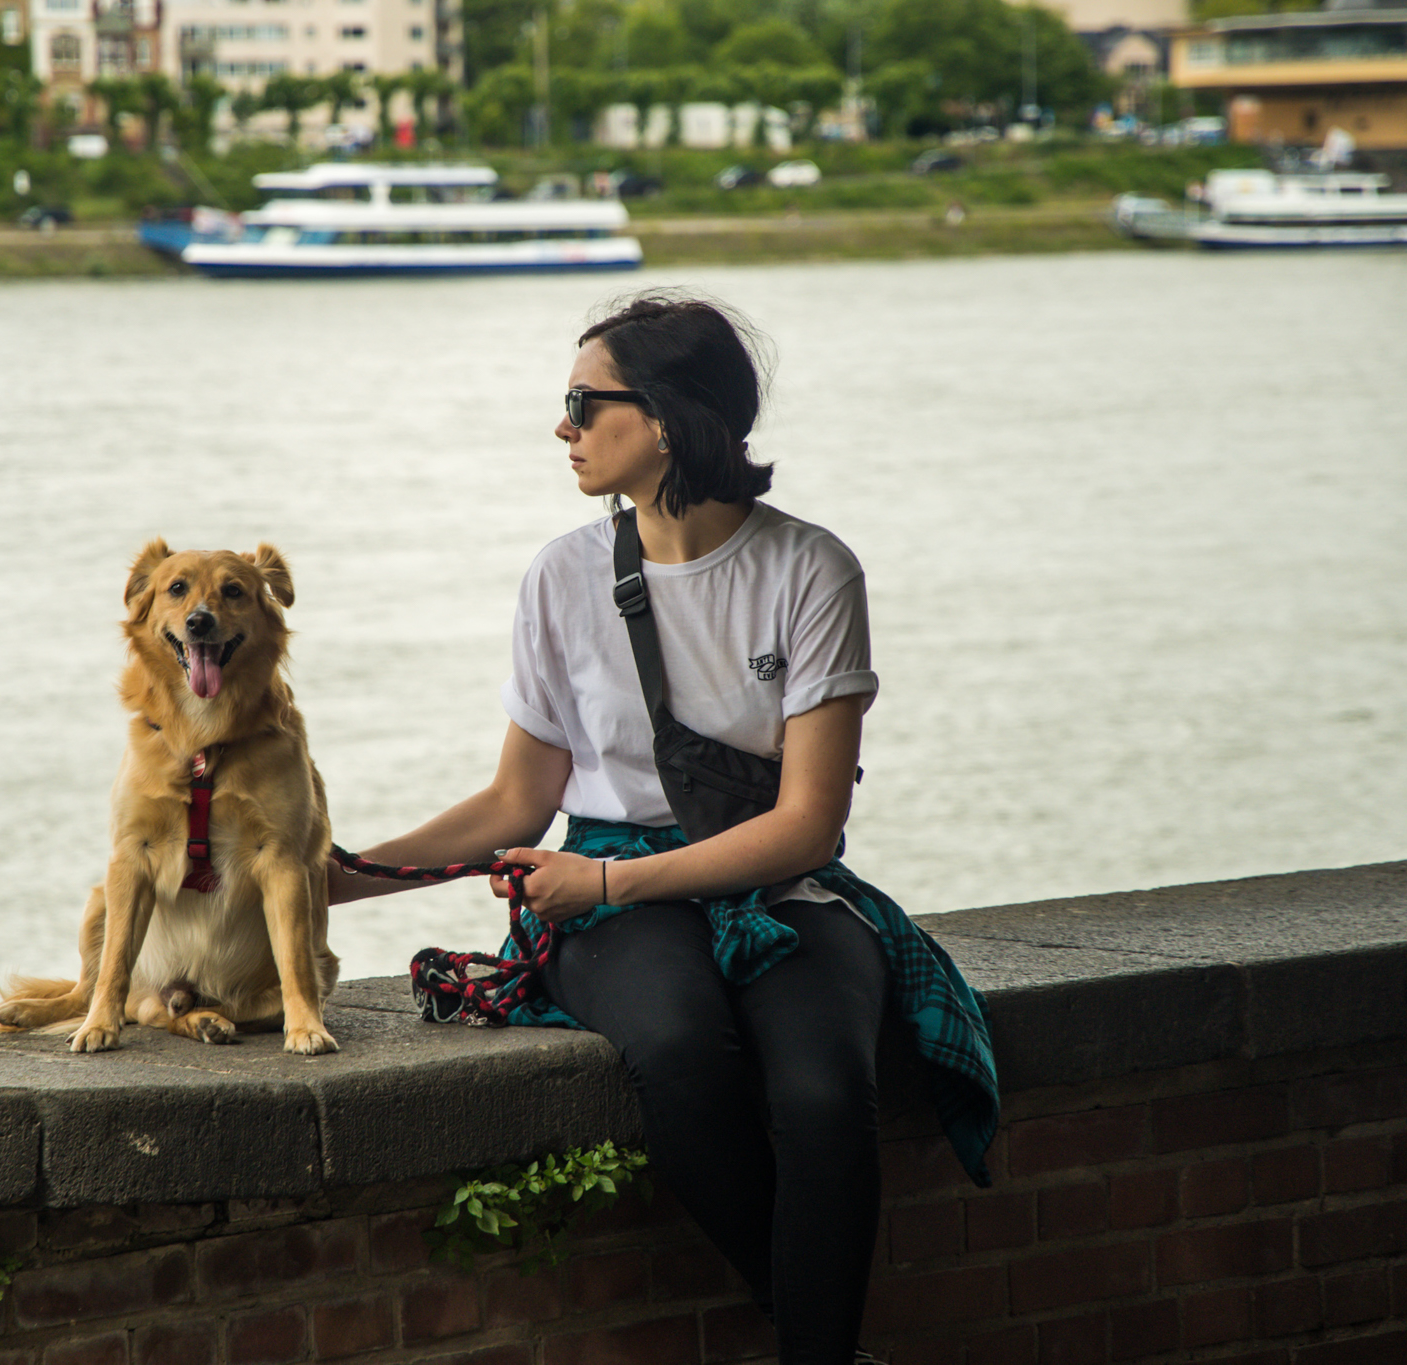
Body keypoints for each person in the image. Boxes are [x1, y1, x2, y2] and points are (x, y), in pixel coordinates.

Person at [330, 292, 996, 1360]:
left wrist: (601, 888)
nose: (562, 426)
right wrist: (332, 877)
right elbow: (516, 803)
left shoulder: (809, 571)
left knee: (826, 1092)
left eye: (583, 403)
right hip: (605, 882)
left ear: (670, 418)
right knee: (679, 1050)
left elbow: (807, 829)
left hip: (765, 889)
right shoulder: (561, 576)